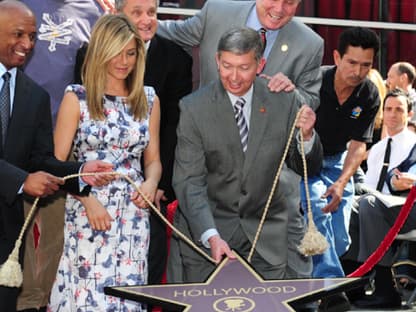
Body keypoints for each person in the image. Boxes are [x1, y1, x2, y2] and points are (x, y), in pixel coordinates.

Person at [157, 0, 324, 280]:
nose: (234, 78)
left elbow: (307, 144)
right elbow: (189, 180)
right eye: (227, 66)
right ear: (216, 61)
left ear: (261, 65)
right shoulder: (194, 108)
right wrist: (136, 18)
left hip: (267, 224)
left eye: (244, 68)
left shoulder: (294, 78)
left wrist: (304, 130)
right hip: (209, 224)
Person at [0, 1, 114, 311]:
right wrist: (23, 180)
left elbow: (40, 159)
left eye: (33, 36)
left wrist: (80, 172)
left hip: (5, 233)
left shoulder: (33, 95)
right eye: (19, 34)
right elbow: (26, 173)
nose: (27, 44)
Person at [48, 14, 161, 311]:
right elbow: (55, 166)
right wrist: (86, 199)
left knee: (128, 297)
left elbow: (153, 161)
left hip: (134, 215)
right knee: (88, 297)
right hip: (88, 211)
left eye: (131, 53)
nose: (123, 62)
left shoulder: (148, 100)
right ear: (100, 52)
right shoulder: (78, 98)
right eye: (116, 52)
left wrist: (150, 184)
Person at [300, 27, 380, 310]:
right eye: (352, 62)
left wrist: (342, 183)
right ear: (336, 57)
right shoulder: (312, 82)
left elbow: (359, 145)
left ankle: (308, 288)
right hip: (302, 159)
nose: (358, 71)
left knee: (340, 236)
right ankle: (332, 291)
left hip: (336, 161)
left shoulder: (370, 94)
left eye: (366, 65)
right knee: (318, 213)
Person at [114, 0, 193, 285]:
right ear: (117, 14)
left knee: (147, 263)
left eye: (152, 13)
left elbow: (174, 128)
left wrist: (161, 184)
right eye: (137, 12)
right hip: (102, 181)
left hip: (150, 185)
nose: (147, 20)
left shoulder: (177, 59)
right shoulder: (89, 54)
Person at [157, 0, 324, 110]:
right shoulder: (217, 11)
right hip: (207, 136)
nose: (279, 9)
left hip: (264, 150)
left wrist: (290, 92)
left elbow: (310, 100)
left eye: (289, 2)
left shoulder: (310, 44)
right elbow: (174, 33)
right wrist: (138, 22)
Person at [344, 88, 416, 309]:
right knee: (350, 207)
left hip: (409, 208)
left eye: (399, 109)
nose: (393, 114)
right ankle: (353, 285)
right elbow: (370, 187)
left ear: (410, 114)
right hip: (380, 207)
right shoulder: (377, 149)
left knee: (368, 204)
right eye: (389, 109)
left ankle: (386, 288)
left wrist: (402, 182)